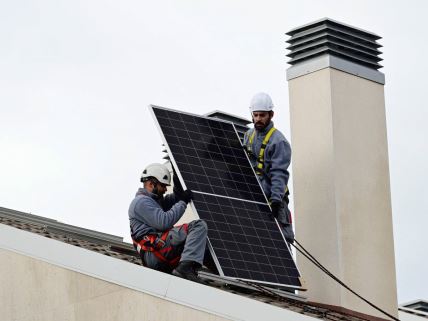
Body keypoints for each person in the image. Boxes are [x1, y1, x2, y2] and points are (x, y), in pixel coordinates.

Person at [128, 163, 208, 282]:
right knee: (197, 226)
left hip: (159, 252)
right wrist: (183, 202)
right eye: (163, 186)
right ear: (151, 184)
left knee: (202, 242)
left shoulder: (155, 202)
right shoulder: (140, 202)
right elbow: (164, 222)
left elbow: (176, 197)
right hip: (155, 252)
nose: (165, 189)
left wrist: (178, 181)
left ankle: (195, 269)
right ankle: (184, 269)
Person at [243, 92, 294, 244]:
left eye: (262, 115)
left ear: (271, 115)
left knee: (280, 241)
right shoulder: (248, 135)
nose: (258, 119)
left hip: (273, 198)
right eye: (256, 115)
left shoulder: (279, 141)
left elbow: (279, 174)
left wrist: (276, 201)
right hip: (253, 196)